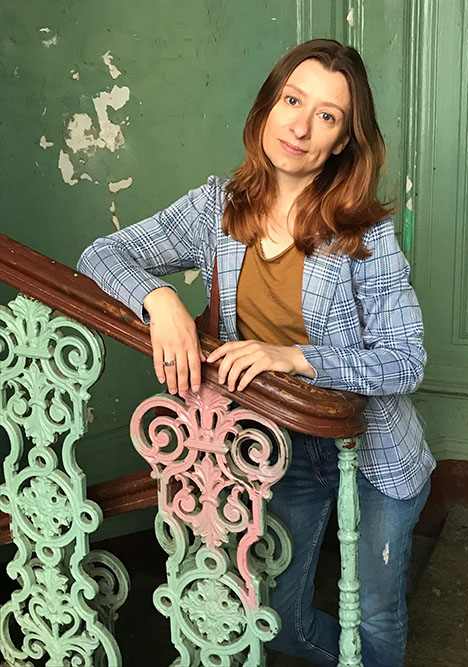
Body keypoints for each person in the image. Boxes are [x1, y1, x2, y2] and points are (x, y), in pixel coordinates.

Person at [77, 39, 435, 667]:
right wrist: (160, 298)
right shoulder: (216, 208)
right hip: (279, 449)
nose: (300, 127)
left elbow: (406, 360)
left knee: (377, 619)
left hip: (376, 454)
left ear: (343, 141)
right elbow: (101, 255)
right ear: (268, 106)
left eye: (327, 115)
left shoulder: (365, 234)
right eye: (292, 101)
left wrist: (297, 357)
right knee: (278, 620)